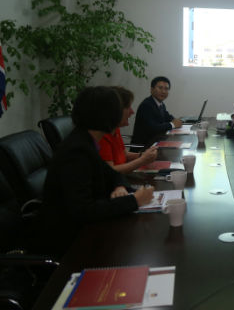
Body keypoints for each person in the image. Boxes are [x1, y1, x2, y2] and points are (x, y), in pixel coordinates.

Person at [41, 86, 154, 256]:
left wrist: (119, 186)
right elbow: (83, 211)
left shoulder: (86, 141)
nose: (128, 112)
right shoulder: (77, 152)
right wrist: (134, 201)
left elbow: (112, 173)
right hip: (70, 245)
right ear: (108, 115)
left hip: (88, 231)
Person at [99, 86, 158, 173]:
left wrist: (143, 155)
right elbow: (110, 172)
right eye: (128, 107)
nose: (132, 112)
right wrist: (142, 160)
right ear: (116, 110)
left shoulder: (115, 129)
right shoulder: (101, 135)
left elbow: (124, 155)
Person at [132, 76, 182, 145]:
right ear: (152, 89)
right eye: (160, 88)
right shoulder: (146, 105)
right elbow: (153, 128)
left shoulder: (160, 104)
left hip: (156, 142)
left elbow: (167, 117)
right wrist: (172, 124)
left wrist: (176, 121)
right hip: (144, 146)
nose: (163, 91)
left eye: (166, 89)